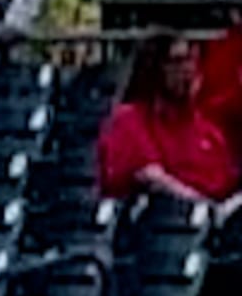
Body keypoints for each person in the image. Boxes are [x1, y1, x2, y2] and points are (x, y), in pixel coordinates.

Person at [99, 34, 242, 221]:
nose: (187, 70)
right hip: (160, 228)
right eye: (177, 62)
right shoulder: (129, 120)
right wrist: (202, 207)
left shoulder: (207, 130)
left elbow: (228, 184)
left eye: (192, 60)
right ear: (157, 68)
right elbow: (151, 177)